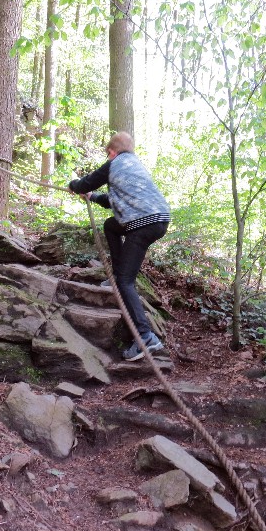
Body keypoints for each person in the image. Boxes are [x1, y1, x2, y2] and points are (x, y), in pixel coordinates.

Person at [68, 132, 171, 361]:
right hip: (157, 219)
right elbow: (114, 200)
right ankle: (116, 274)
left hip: (143, 224)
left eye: (108, 153)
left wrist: (73, 186)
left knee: (126, 282)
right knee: (112, 225)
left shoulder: (115, 164)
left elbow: (87, 181)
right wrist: (93, 197)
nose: (109, 156)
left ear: (112, 152)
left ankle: (145, 336)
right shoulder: (134, 167)